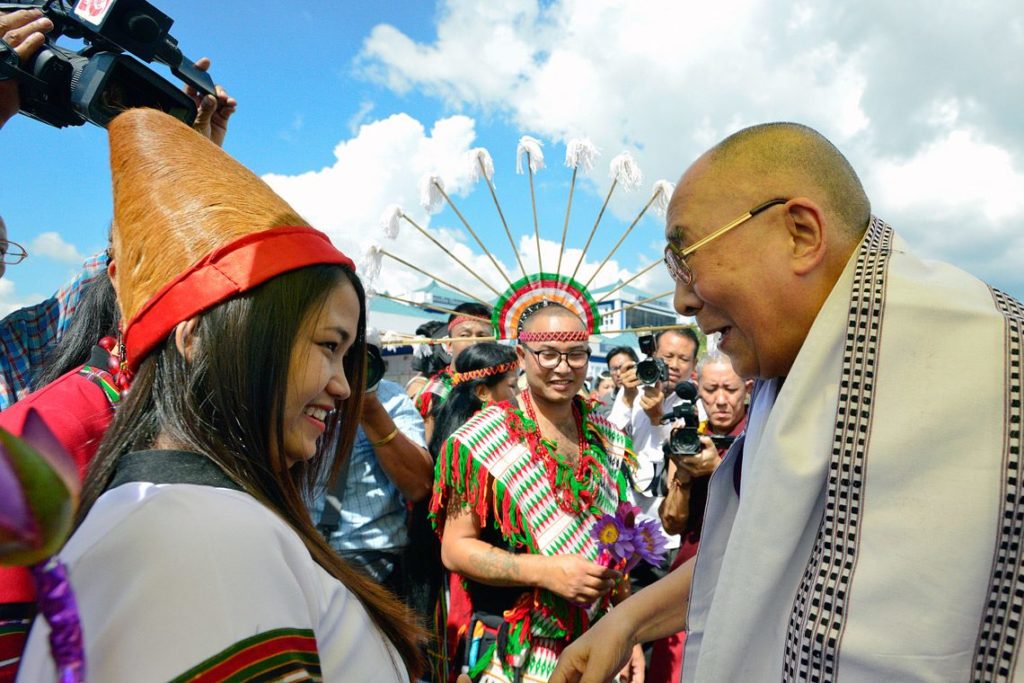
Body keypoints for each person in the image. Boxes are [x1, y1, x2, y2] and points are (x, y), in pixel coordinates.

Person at [552, 121, 1024, 682]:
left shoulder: (988, 364)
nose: (680, 300)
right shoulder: (794, 364)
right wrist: (626, 621)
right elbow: (765, 558)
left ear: (800, 233)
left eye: (685, 259)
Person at [16, 108, 422, 681]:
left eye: (349, 355)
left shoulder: (182, 517)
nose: (342, 384)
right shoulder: (196, 537)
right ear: (198, 337)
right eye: (329, 346)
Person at [432, 303, 645, 683]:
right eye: (548, 354)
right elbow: (455, 548)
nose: (563, 367)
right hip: (512, 653)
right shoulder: (481, 439)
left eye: (576, 354)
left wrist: (628, 636)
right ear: (521, 356)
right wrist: (546, 571)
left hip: (597, 644)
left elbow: (616, 549)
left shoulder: (608, 437)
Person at [416, 342, 519, 681]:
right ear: (483, 392)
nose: (520, 396)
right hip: (472, 577)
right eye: (513, 387)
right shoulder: (469, 448)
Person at [648, 350, 750, 682]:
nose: (720, 400)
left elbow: (764, 511)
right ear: (697, 388)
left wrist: (719, 471)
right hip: (689, 577)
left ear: (747, 389)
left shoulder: (760, 434)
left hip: (741, 578)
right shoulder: (690, 436)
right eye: (711, 390)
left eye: (730, 390)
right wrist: (686, 480)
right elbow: (672, 523)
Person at [316, 375, 433, 592]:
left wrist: (370, 409)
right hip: (307, 554)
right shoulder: (296, 394)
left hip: (379, 562)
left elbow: (420, 486)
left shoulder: (391, 397)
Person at [607, 328, 700, 589]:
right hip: (627, 528)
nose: (673, 365)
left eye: (684, 358)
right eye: (667, 356)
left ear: (693, 365)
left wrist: (659, 420)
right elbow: (608, 443)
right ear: (652, 356)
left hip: (668, 535)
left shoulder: (695, 402)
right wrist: (626, 397)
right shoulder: (634, 395)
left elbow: (682, 457)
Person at [415, 302, 493, 440]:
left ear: (493, 343)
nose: (474, 343)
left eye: (482, 336)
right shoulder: (434, 392)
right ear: (449, 345)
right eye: (464, 335)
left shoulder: (501, 384)